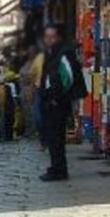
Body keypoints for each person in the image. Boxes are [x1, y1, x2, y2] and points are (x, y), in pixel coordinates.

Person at [39, 25, 76, 182]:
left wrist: (57, 97)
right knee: (52, 137)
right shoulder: (52, 54)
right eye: (47, 36)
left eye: (52, 36)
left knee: (56, 137)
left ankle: (59, 169)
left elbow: (68, 77)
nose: (49, 40)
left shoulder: (64, 53)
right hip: (50, 101)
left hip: (57, 103)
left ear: (58, 38)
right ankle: (55, 167)